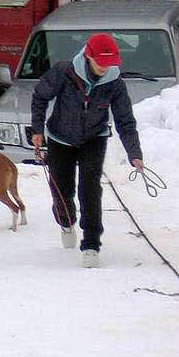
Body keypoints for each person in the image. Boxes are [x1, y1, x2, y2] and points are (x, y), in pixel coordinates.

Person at [31, 33, 145, 268]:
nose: (105, 67)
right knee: (61, 189)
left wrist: (135, 153)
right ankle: (66, 220)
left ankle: (91, 244)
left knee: (90, 190)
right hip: (59, 138)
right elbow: (40, 96)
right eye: (101, 62)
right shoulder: (64, 72)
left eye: (110, 62)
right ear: (88, 56)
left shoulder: (114, 81)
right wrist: (37, 129)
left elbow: (125, 120)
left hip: (94, 138)